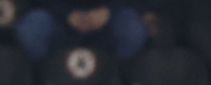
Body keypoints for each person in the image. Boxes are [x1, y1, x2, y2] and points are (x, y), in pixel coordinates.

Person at [15, 2, 149, 62]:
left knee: (132, 31)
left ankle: (117, 80)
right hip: (59, 19)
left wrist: (108, 10)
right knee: (31, 30)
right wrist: (66, 14)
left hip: (109, 19)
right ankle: (45, 81)